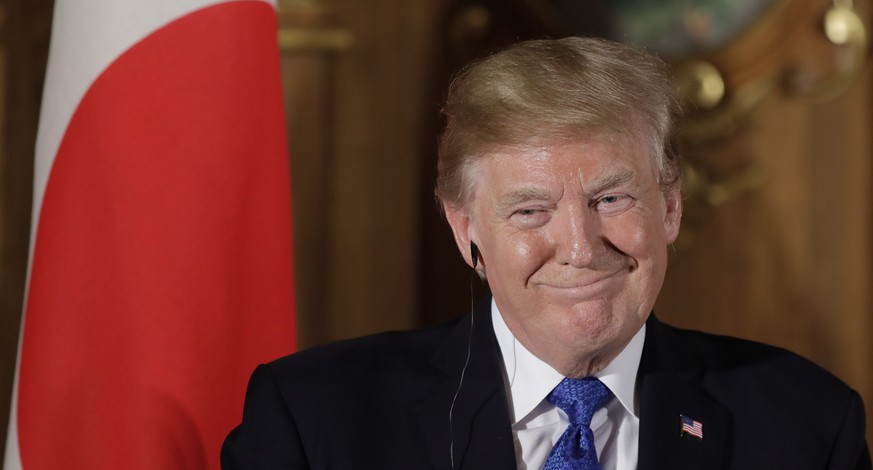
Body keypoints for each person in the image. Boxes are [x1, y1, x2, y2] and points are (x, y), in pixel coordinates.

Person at [221, 37, 872, 469]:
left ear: (669, 206)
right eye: (530, 210)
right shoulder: (317, 421)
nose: (580, 247)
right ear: (465, 231)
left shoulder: (806, 426)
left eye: (611, 199)